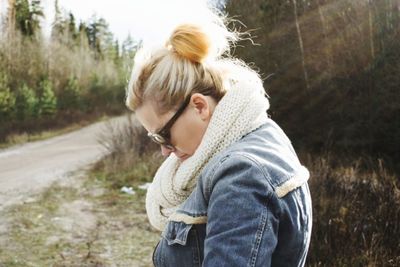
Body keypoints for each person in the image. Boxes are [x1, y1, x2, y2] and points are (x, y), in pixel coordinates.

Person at [125, 8, 312, 267]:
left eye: (164, 135)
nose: (165, 151)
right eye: (156, 139)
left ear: (200, 107)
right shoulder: (261, 134)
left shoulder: (242, 176)